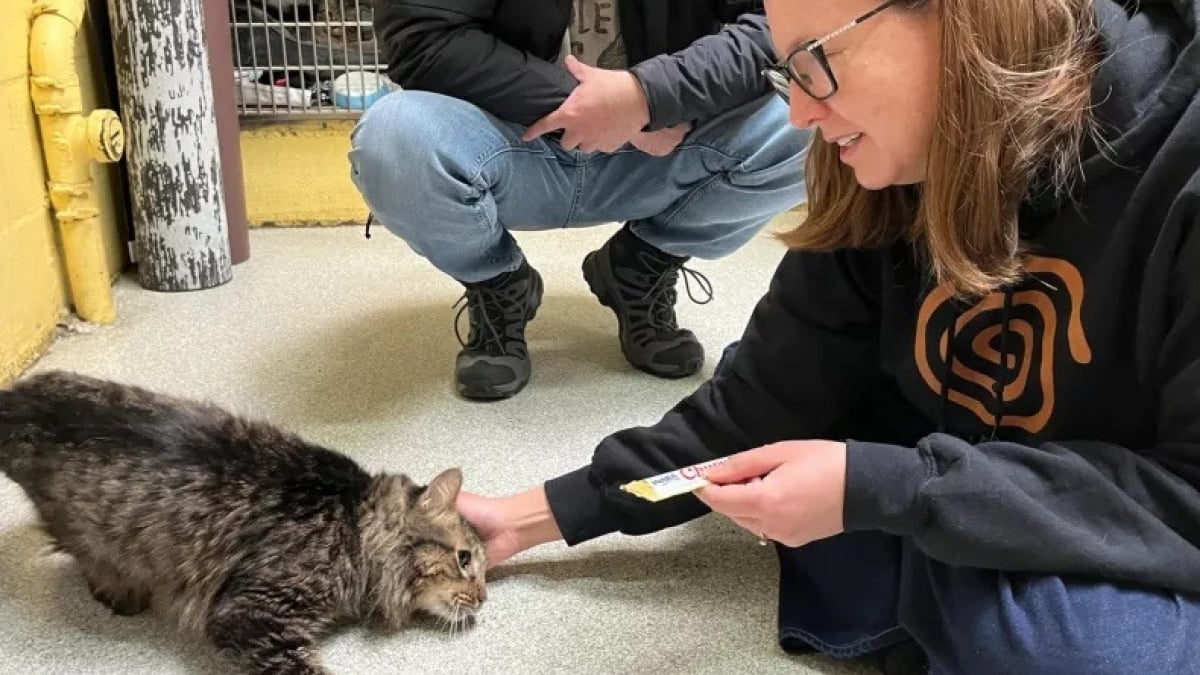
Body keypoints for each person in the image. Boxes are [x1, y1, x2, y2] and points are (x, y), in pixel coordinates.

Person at [456, 0, 1200, 672]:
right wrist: (528, 518)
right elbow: (754, 410)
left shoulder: (1179, 171)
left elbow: (1183, 500)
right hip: (977, 484)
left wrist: (896, 488)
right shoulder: (886, 171)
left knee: (1073, 648)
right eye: (788, 71)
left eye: (817, 60)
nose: (800, 114)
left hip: (1146, 517)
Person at [349, 1, 812, 400]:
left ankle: (640, 268)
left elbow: (779, 23)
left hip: (669, 128)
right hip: (507, 133)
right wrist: (600, 107)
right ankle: (499, 286)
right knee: (393, 139)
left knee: (814, 127)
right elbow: (424, 39)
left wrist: (650, 97)